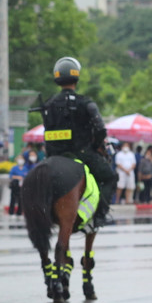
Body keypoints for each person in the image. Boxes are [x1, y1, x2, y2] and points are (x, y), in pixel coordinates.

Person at [40, 57, 117, 226]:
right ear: (76, 77)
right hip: (82, 153)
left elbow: (48, 133)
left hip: (55, 155)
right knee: (110, 177)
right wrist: (96, 146)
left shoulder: (48, 104)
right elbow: (101, 130)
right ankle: (99, 215)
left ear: (57, 77)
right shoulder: (85, 102)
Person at [8, 150, 35, 217]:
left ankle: (19, 212)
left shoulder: (25, 168)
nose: (20, 160)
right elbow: (10, 176)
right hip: (15, 184)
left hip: (22, 184)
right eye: (19, 159)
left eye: (21, 159)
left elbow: (27, 175)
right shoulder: (14, 168)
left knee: (21, 198)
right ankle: (11, 212)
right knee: (13, 198)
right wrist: (18, 177)